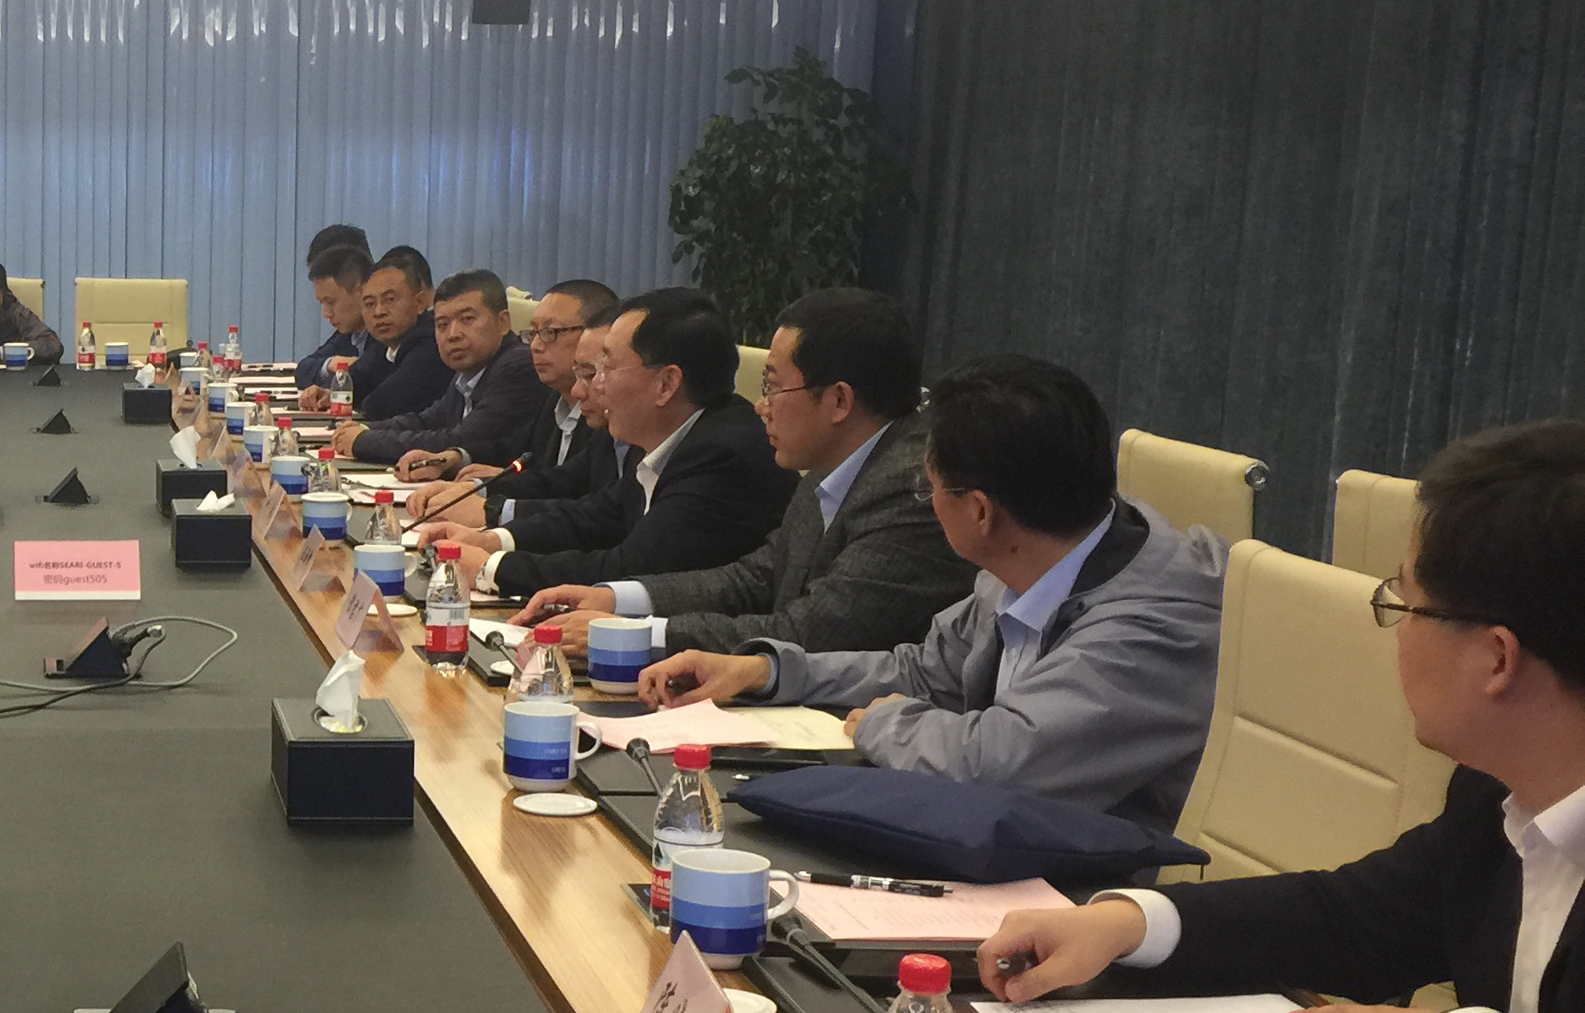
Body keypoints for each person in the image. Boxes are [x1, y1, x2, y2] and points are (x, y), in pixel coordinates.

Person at [977, 420, 1585, 1013]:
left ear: (1496, 659)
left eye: (1405, 604)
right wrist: (1131, 924)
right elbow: (1358, 918)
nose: (1395, 635)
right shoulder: (1497, 790)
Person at [638, 355, 1227, 828]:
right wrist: (767, 672)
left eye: (931, 488)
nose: (927, 502)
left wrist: (884, 724)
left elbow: (999, 765)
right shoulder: (1033, 557)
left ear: (981, 512)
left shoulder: (1151, 630)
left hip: (1094, 899)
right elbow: (924, 671)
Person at [517, 288, 972, 660]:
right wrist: (618, 600)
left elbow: (810, 632)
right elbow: (758, 576)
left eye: (772, 386)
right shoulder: (835, 461)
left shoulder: (912, 487)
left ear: (839, 401)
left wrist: (636, 634)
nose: (761, 406)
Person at [427, 288, 793, 598]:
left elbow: (629, 567)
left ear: (666, 384)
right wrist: (494, 540)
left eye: (607, 368)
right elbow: (597, 517)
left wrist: (492, 568)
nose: (593, 386)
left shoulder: (721, 455)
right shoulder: (664, 436)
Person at [406, 285, 627, 522]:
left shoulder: (612, 421)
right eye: (534, 333)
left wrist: (494, 510)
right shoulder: (553, 398)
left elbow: (590, 507)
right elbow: (532, 462)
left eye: (550, 332)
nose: (535, 345)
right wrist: (459, 463)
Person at [330, 272, 547, 468]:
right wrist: (363, 429)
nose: (453, 334)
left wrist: (364, 441)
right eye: (443, 324)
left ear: (503, 323)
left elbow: (461, 440)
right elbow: (427, 421)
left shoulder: (518, 366)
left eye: (467, 319)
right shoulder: (470, 370)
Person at [348, 248, 452, 420]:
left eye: (390, 299)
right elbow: (353, 385)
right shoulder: (385, 345)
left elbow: (383, 404)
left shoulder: (431, 340)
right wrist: (330, 394)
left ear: (419, 303)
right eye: (369, 304)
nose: (379, 312)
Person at [293, 230, 371, 391]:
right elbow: (303, 369)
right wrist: (330, 364)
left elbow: (369, 377)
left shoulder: (384, 334)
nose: (326, 314)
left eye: (331, 302)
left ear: (361, 289)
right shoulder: (351, 334)